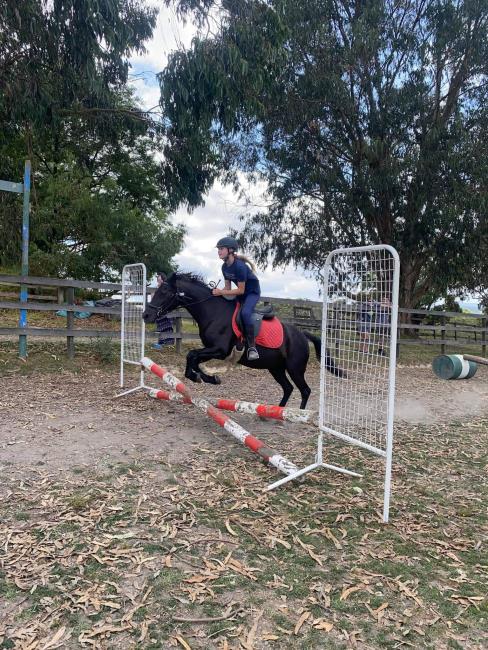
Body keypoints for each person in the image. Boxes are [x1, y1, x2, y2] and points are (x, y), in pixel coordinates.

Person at [212, 236, 261, 360]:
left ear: (230, 250)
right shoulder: (224, 267)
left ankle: (252, 347)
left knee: (245, 313)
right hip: (240, 294)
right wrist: (217, 293)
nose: (219, 251)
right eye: (218, 249)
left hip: (251, 293)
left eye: (221, 249)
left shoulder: (240, 267)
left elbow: (241, 290)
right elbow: (227, 288)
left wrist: (221, 292)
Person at [152, 272, 175, 349]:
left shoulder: (167, 288)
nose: (158, 281)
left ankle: (169, 343)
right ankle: (161, 343)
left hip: (167, 311)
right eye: (157, 280)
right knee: (160, 327)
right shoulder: (157, 289)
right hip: (159, 311)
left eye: (159, 280)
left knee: (168, 326)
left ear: (163, 279)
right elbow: (153, 299)